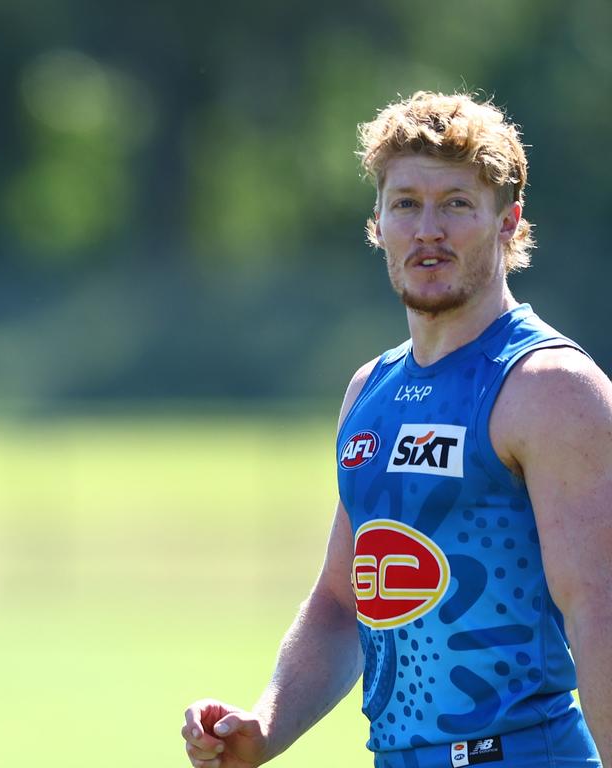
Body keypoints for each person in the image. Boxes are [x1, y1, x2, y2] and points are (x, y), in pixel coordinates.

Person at [182, 91, 612, 767]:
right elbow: (339, 602)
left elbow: (601, 613)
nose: (428, 228)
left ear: (509, 222)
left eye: (457, 204)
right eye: (406, 203)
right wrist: (263, 725)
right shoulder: (370, 392)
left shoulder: (549, 388)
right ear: (378, 222)